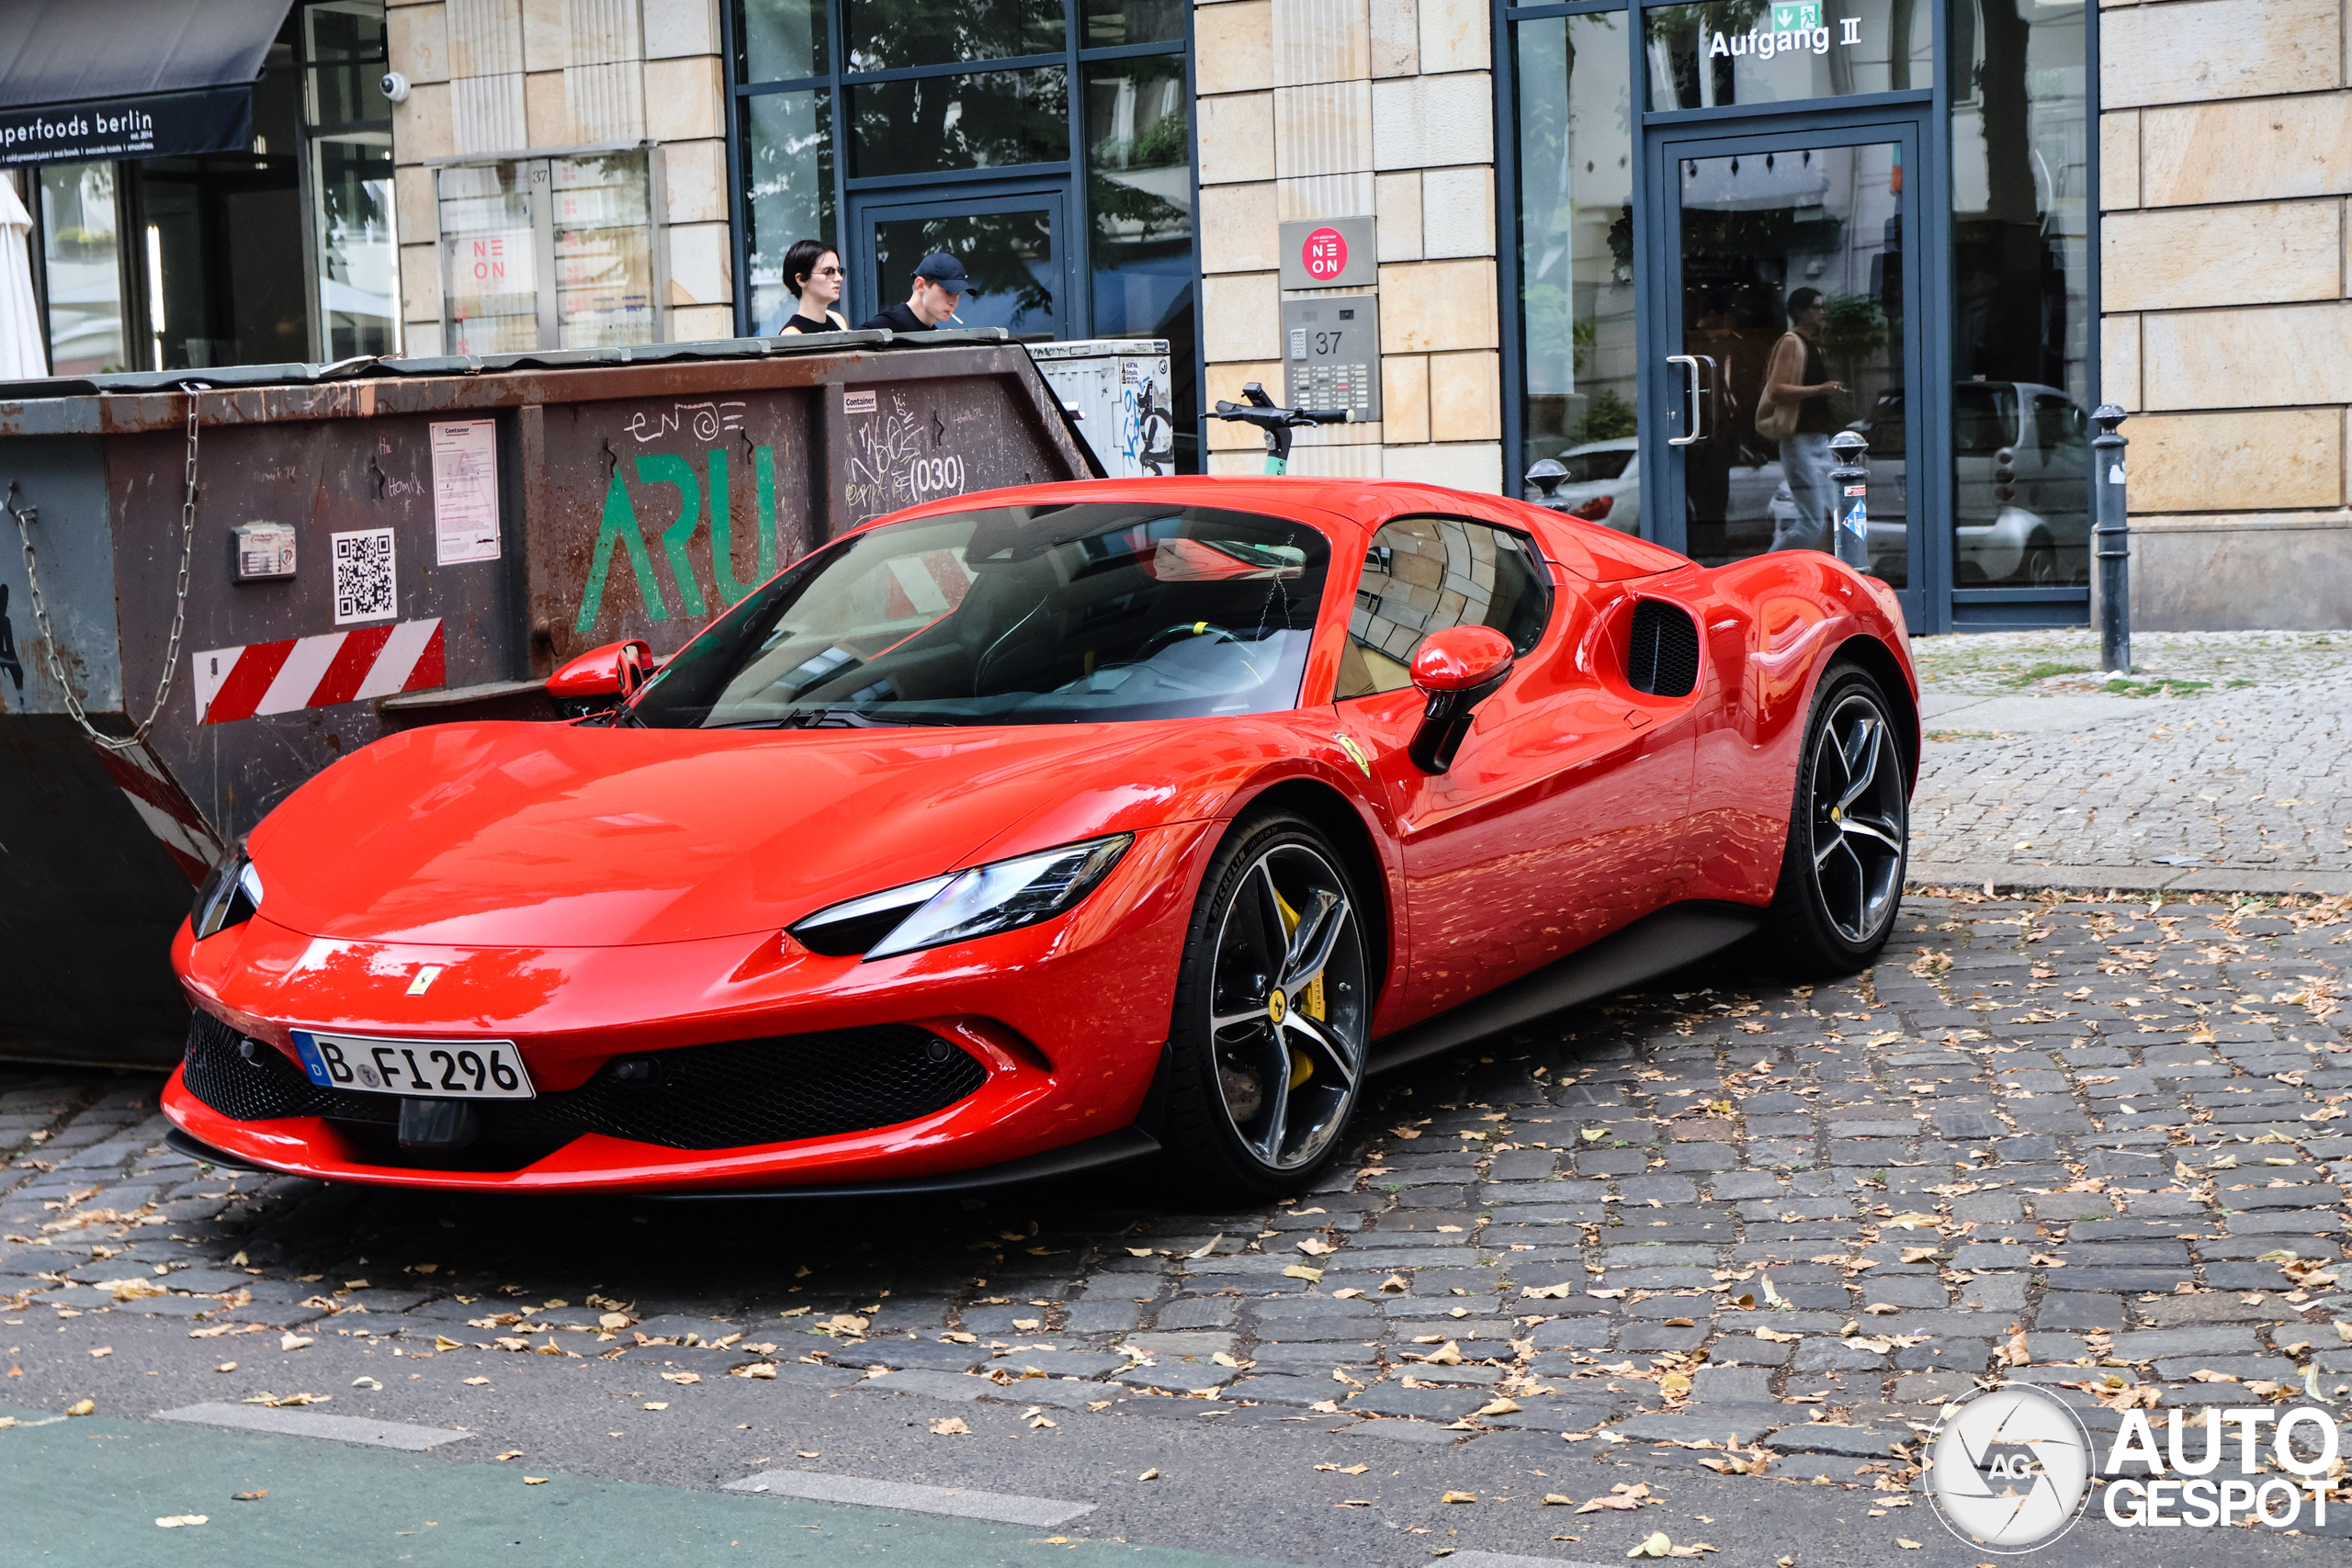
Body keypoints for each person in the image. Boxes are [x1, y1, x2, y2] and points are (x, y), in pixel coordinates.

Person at [1764, 287, 1844, 552]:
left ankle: (1821, 572)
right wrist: (1820, 390)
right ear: (1800, 311)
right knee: (1813, 521)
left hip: (1819, 440)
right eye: (1816, 307)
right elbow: (1776, 390)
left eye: (1823, 307)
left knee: (1832, 518)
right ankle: (1765, 568)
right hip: (1799, 440)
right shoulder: (1791, 342)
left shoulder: (1812, 346)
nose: (1823, 312)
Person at [856, 252, 970, 332]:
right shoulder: (883, 329)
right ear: (920, 285)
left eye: (958, 295)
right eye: (947, 292)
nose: (954, 303)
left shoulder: (935, 337)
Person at [763, 240, 848, 335]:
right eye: (828, 271)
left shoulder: (836, 319)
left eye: (838, 271)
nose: (839, 278)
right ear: (801, 279)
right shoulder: (792, 335)